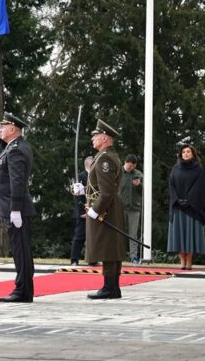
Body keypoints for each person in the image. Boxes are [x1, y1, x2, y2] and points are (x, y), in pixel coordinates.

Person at [0, 113, 36, 303]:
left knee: (20, 250)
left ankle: (22, 290)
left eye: (3, 127)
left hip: (15, 206)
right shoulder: (15, 147)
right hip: (14, 205)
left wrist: (15, 208)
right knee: (21, 249)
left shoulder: (16, 150)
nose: (0, 129)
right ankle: (24, 288)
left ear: (13, 129)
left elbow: (17, 180)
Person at [84, 119, 125, 299]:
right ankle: (113, 287)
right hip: (110, 207)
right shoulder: (108, 156)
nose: (92, 138)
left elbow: (106, 192)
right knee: (111, 248)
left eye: (96, 135)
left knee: (108, 249)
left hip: (105, 210)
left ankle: (110, 287)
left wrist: (95, 210)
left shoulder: (105, 158)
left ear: (105, 138)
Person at [167, 144, 205, 270]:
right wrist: (177, 200)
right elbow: (171, 185)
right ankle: (182, 260)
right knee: (179, 235)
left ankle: (189, 260)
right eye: (183, 152)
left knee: (191, 235)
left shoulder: (199, 169)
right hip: (178, 206)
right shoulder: (175, 168)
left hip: (193, 207)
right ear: (181, 154)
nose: (185, 154)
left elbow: (201, 187)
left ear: (193, 154)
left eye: (188, 152)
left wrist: (189, 200)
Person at [119, 154, 143, 265]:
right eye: (129, 167)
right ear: (125, 162)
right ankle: (118, 255)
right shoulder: (118, 172)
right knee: (118, 232)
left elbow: (144, 191)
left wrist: (139, 185)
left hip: (134, 208)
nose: (131, 169)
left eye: (133, 167)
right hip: (120, 208)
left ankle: (134, 257)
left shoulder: (138, 174)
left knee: (133, 234)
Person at [69, 157, 93, 266]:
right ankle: (74, 259)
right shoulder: (80, 177)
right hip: (83, 211)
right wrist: (82, 211)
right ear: (89, 165)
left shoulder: (96, 177)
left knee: (93, 237)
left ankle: (92, 259)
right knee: (79, 236)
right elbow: (77, 196)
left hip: (94, 211)